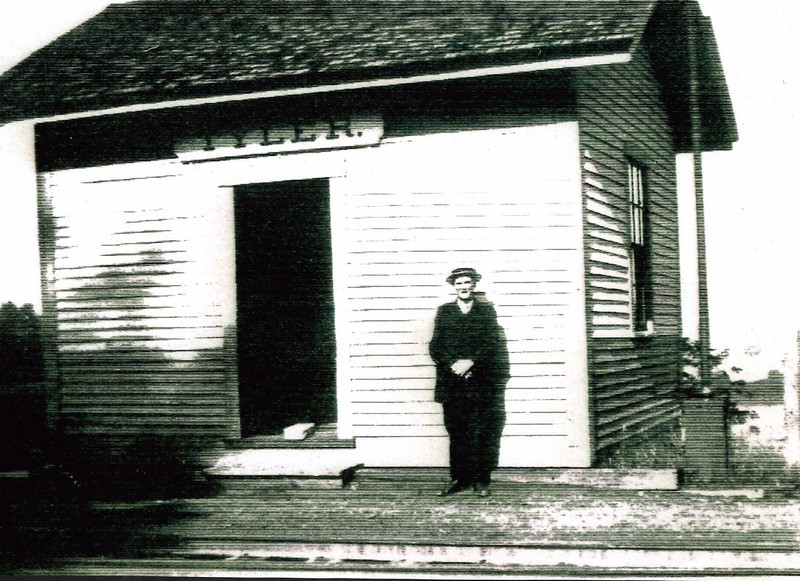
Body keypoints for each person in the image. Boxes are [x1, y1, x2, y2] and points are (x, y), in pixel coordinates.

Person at [429, 267, 508, 497]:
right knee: (457, 432)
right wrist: (453, 364)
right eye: (459, 283)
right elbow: (435, 346)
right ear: (453, 287)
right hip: (452, 382)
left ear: (474, 285)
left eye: (467, 282)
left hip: (480, 381)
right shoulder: (444, 311)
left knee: (482, 430)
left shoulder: (486, 311)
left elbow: (492, 344)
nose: (463, 287)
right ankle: (459, 478)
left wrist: (471, 361)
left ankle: (481, 480)